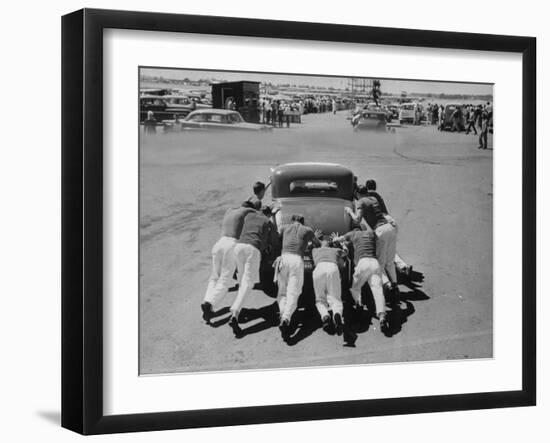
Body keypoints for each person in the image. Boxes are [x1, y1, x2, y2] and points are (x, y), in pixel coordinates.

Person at [201, 202, 257, 321]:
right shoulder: (249, 212)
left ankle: (207, 301)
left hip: (219, 243)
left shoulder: (230, 210)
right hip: (230, 245)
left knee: (214, 277)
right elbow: (258, 215)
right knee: (225, 280)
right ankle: (210, 303)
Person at [331, 229, 390, 333]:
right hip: (374, 263)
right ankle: (382, 316)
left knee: (355, 288)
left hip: (362, 263)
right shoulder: (371, 233)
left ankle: (359, 303)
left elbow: (339, 239)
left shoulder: (354, 233)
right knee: (377, 290)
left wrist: (336, 238)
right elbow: (381, 242)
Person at [229, 206, 273, 335]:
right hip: (252, 250)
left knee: (242, 283)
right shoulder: (266, 221)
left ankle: (238, 308)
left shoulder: (249, 216)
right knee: (248, 284)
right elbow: (264, 242)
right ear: (268, 214)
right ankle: (235, 312)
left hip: (239, 247)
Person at [275, 214, 319, 340]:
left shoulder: (284, 227)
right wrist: (314, 238)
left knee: (282, 292)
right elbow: (317, 243)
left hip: (283, 258)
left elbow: (277, 237)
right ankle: (286, 318)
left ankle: (283, 313)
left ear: (292, 220)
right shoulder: (307, 230)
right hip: (296, 260)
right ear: (302, 222)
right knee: (294, 292)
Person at [346, 192, 398, 294]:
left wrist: (350, 212)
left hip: (380, 230)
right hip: (390, 228)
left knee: (379, 262)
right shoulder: (373, 198)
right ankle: (395, 285)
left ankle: (388, 285)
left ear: (357, 193)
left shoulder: (360, 202)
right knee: (390, 261)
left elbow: (357, 220)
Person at [362, 179, 412, 279]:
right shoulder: (377, 196)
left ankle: (386, 279)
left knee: (382, 252)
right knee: (390, 249)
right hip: (390, 221)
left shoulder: (369, 195)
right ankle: (403, 266)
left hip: (382, 224)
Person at [312, 236, 347, 335]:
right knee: (335, 297)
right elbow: (346, 252)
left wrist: (315, 238)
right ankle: (337, 314)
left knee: (320, 299)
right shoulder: (335, 250)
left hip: (319, 269)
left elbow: (310, 243)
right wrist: (340, 243)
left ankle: (325, 317)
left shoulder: (315, 250)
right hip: (333, 268)